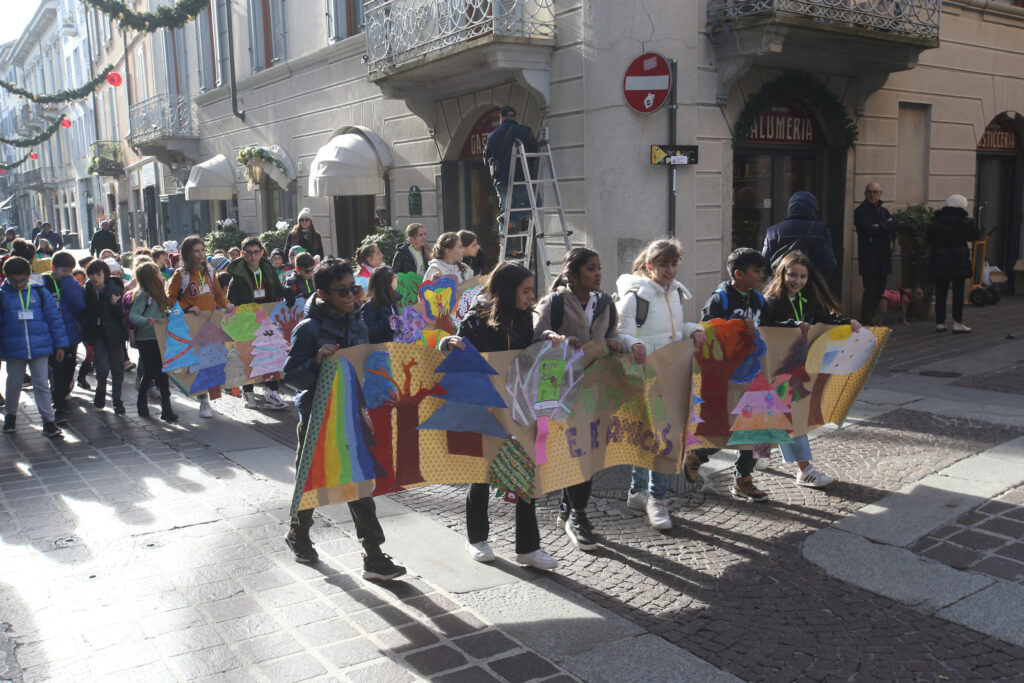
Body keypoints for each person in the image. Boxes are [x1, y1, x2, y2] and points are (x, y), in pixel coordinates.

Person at [282, 258, 406, 581]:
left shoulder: (359, 323)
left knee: (359, 483)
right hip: (316, 417)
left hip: (352, 416)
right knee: (309, 481)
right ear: (322, 293)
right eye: (343, 290)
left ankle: (374, 555)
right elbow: (290, 376)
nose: (352, 295)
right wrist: (315, 361)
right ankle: (298, 533)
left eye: (355, 288)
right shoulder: (307, 329)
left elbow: (367, 364)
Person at [441, 262, 558, 570]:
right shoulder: (476, 321)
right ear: (508, 292)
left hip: (519, 409)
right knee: (481, 474)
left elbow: (529, 349)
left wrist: (545, 336)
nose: (531, 296)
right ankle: (476, 538)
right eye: (526, 290)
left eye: (532, 289)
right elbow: (454, 348)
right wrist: (446, 343)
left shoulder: (525, 319)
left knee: (526, 471)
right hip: (485, 409)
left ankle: (528, 547)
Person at [534, 248, 623, 549]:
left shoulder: (607, 303)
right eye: (590, 269)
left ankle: (572, 511)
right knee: (571, 451)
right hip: (558, 391)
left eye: (599, 268)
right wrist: (553, 338)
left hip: (594, 390)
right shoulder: (554, 303)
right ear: (573, 275)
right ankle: (577, 514)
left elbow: (614, 335)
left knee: (585, 452)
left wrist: (622, 344)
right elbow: (532, 337)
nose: (598, 273)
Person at [616, 239, 705, 530]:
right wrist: (636, 342)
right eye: (664, 264)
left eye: (674, 263)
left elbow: (675, 330)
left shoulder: (677, 293)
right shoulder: (636, 296)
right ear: (650, 265)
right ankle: (656, 498)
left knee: (655, 434)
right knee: (658, 436)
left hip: (671, 374)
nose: (670, 269)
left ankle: (638, 493)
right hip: (646, 376)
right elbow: (622, 332)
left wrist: (692, 330)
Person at [761, 250, 859, 488]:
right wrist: (792, 325)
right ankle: (804, 470)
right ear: (781, 274)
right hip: (775, 367)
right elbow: (764, 326)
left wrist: (848, 323)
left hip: (798, 368)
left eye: (803, 276)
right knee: (789, 417)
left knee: (778, 415)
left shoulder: (808, 299)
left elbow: (824, 321)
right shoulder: (771, 301)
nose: (797, 280)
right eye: (792, 275)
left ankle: (757, 455)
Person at [688, 247, 769, 502]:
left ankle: (744, 479)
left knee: (755, 428)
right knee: (728, 426)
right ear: (739, 274)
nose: (761, 275)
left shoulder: (758, 299)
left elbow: (771, 327)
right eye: (756, 271)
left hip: (754, 375)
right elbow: (707, 330)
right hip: (728, 377)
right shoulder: (721, 299)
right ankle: (699, 454)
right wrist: (736, 328)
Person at [0, 256, 68, 438]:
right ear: (6, 276)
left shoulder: (39, 292)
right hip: (14, 348)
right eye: (14, 280)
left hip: (40, 346)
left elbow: (54, 319)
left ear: (28, 275)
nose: (18, 284)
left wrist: (60, 344)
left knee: (41, 384)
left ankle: (48, 421)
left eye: (22, 280)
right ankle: (10, 417)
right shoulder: (2, 295)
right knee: (13, 384)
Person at [167, 235, 233, 418]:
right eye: (196, 251)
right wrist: (188, 307)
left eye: (202, 250)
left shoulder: (210, 271)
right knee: (196, 362)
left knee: (211, 360)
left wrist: (226, 304)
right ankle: (203, 400)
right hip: (191, 325)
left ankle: (208, 396)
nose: (201, 254)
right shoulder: (181, 274)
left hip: (210, 323)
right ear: (188, 254)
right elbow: (170, 299)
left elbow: (218, 295)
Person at [226, 236, 292, 410]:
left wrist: (286, 291)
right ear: (243, 254)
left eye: (256, 252)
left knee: (271, 353)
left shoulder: (267, 269)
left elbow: (276, 286)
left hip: (267, 318)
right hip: (247, 320)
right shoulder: (237, 276)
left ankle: (272, 392)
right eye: (249, 252)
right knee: (249, 354)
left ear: (262, 253)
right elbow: (231, 300)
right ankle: (247, 391)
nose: (253, 256)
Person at [129, 262, 178, 423]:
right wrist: (145, 320)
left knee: (162, 372)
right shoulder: (144, 295)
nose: (160, 273)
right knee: (152, 371)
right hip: (147, 339)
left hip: (161, 337)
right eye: (156, 271)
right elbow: (133, 315)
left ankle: (166, 408)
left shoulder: (160, 293)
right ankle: (143, 400)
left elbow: (163, 312)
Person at [44, 251, 86, 425]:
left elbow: (79, 305)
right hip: (52, 336)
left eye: (70, 271)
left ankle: (64, 393)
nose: (67, 274)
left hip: (70, 335)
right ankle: (59, 401)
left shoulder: (72, 284)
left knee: (69, 366)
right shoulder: (44, 284)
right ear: (53, 268)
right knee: (56, 370)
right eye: (63, 271)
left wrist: (69, 282)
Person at [930, 194, 980, 334]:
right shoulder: (966, 221)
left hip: (940, 259)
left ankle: (940, 323)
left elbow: (930, 238)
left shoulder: (936, 220)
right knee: (958, 293)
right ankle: (958, 323)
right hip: (959, 260)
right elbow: (974, 237)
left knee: (941, 292)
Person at [83, 259, 128, 414]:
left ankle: (117, 400)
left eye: (98, 274)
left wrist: (115, 304)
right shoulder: (87, 290)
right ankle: (101, 390)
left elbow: (123, 313)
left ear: (105, 275)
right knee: (102, 368)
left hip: (115, 334)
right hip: (97, 335)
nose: (94, 277)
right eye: (91, 274)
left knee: (118, 370)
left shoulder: (114, 289)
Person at [484, 105, 539, 226]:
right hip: (521, 180)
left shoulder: (492, 136)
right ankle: (507, 217)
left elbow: (486, 159)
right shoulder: (525, 131)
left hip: (502, 182)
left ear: (501, 119)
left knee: (505, 210)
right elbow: (536, 152)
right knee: (536, 203)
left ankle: (506, 238)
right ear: (515, 117)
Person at [761, 191, 837, 278]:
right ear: (813, 207)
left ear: (790, 207)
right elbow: (830, 264)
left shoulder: (773, 231)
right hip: (812, 284)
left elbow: (764, 263)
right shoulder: (821, 230)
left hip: (782, 284)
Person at [854, 183, 899, 325]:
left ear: (880, 193)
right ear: (865, 194)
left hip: (883, 256)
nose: (872, 195)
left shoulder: (883, 210)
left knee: (880, 290)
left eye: (875, 192)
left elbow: (895, 223)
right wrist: (885, 225)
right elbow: (868, 229)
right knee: (870, 290)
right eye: (869, 192)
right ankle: (865, 319)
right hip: (869, 256)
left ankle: (873, 318)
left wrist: (880, 226)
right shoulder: (860, 211)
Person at [360, 266, 400, 344]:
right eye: (394, 276)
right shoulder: (370, 306)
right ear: (387, 281)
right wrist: (386, 322)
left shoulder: (392, 301)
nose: (397, 278)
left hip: (393, 347)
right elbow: (367, 333)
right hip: (379, 351)